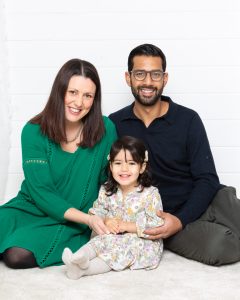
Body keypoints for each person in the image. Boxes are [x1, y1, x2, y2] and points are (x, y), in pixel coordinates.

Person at [109, 44, 240, 266]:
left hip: (205, 202)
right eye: (140, 74)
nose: (148, 82)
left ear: (165, 78)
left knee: (228, 202)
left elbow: (207, 179)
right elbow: (108, 178)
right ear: (128, 78)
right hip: (163, 220)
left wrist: (181, 219)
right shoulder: (114, 124)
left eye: (155, 74)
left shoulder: (188, 119)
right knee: (220, 246)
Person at [0, 58, 117, 269]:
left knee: (15, 255)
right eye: (73, 92)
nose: (79, 103)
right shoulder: (33, 131)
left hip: (77, 218)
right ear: (59, 91)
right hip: (31, 207)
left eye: (87, 96)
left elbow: (109, 181)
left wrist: (94, 220)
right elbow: (41, 192)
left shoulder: (106, 129)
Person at [62, 136, 164, 279]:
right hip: (113, 236)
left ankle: (84, 270)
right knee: (100, 239)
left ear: (142, 167)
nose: (124, 169)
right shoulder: (106, 190)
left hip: (141, 242)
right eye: (118, 163)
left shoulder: (151, 194)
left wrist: (127, 226)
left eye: (131, 163)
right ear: (110, 166)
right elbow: (99, 210)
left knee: (120, 248)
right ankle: (79, 257)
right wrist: (105, 220)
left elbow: (156, 224)